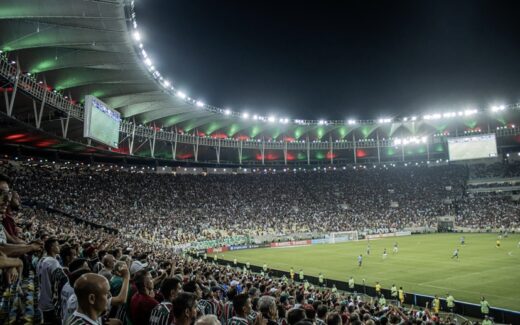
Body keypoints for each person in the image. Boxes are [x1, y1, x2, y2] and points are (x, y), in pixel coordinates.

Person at [38, 237, 68, 324]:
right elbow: (59, 284)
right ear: (52, 247)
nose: (59, 247)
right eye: (57, 245)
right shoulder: (53, 263)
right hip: (51, 303)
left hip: (42, 299)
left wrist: (61, 268)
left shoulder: (42, 259)